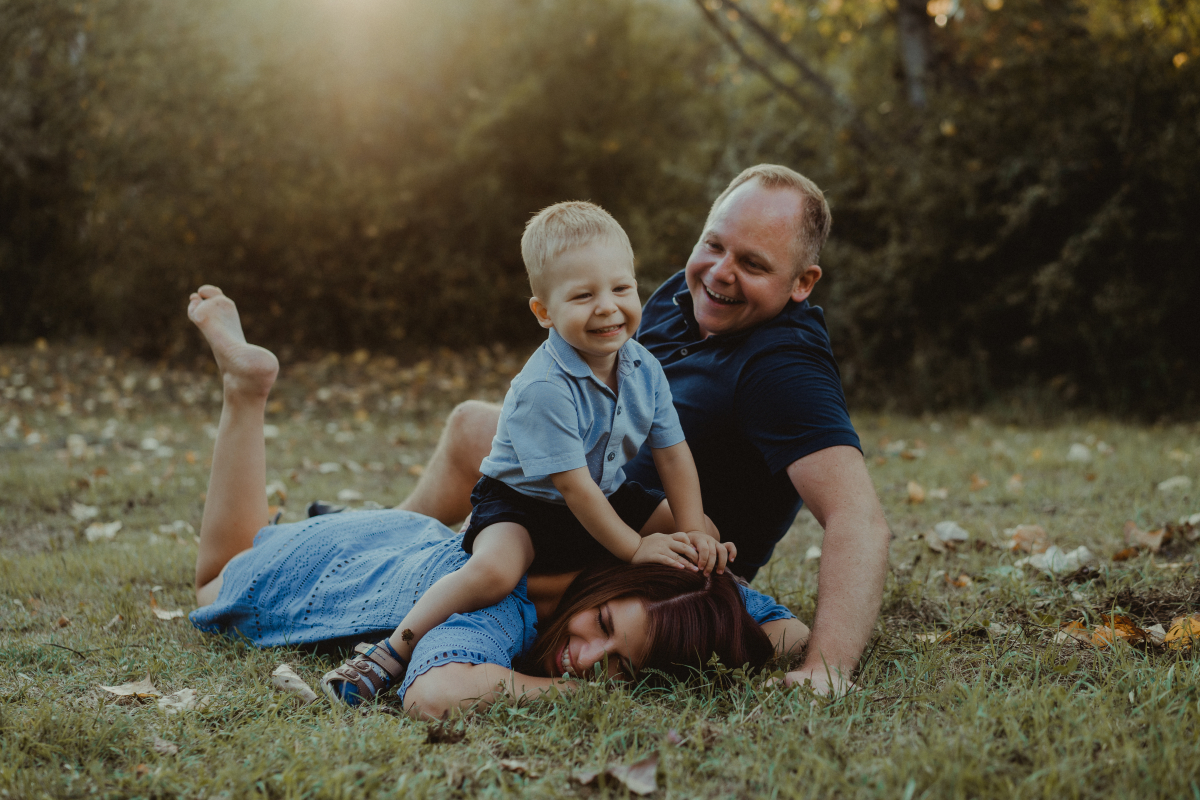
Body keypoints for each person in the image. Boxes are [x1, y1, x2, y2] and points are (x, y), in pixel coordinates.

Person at [184, 285, 807, 716]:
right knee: (214, 580)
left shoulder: (651, 585)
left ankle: (251, 399)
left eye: (620, 665)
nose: (585, 658)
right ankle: (246, 391)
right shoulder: (499, 609)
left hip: (406, 541)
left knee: (249, 544)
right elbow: (434, 695)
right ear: (627, 571)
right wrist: (595, 692)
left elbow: (788, 631)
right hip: (336, 569)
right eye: (603, 627)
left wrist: (705, 620)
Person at [398, 165, 892, 697]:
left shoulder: (785, 371)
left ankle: (409, 585)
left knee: (496, 508)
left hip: (659, 560)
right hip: (600, 494)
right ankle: (391, 535)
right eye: (714, 245)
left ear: (802, 282)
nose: (720, 272)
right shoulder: (679, 297)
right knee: (473, 425)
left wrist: (826, 667)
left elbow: (857, 518)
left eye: (752, 264)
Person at [324, 202, 731, 703]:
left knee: (703, 529)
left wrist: (692, 534)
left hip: (606, 491)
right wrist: (633, 549)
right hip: (525, 503)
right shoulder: (545, 386)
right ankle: (391, 650)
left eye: (621, 289)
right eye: (583, 295)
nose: (607, 307)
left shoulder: (643, 366)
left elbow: (672, 452)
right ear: (544, 312)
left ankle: (651, 611)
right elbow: (573, 488)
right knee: (495, 573)